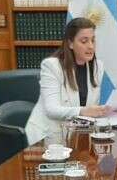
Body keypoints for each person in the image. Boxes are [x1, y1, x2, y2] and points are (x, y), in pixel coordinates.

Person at [25, 17, 111, 145]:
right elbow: (51, 110)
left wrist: (104, 111)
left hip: (77, 136)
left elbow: (91, 107)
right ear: (70, 43)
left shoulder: (97, 67)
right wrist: (83, 111)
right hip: (47, 137)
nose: (91, 46)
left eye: (93, 40)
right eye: (84, 41)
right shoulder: (52, 66)